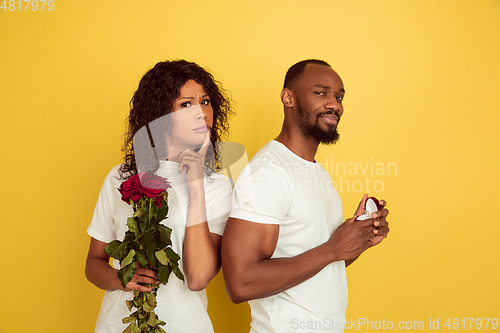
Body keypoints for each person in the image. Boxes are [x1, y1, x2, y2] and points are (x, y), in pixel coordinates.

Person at [221, 59, 390, 333]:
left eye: (339, 96)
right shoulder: (268, 171)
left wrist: (358, 239)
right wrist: (333, 248)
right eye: (320, 93)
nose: (334, 104)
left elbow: (318, 263)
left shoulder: (316, 172)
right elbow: (241, 283)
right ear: (288, 97)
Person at [85, 60, 234, 333]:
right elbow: (94, 263)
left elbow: (198, 278)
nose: (201, 112)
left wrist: (196, 187)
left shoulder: (219, 187)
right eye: (186, 104)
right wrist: (122, 278)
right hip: (117, 326)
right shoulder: (119, 178)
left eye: (206, 101)